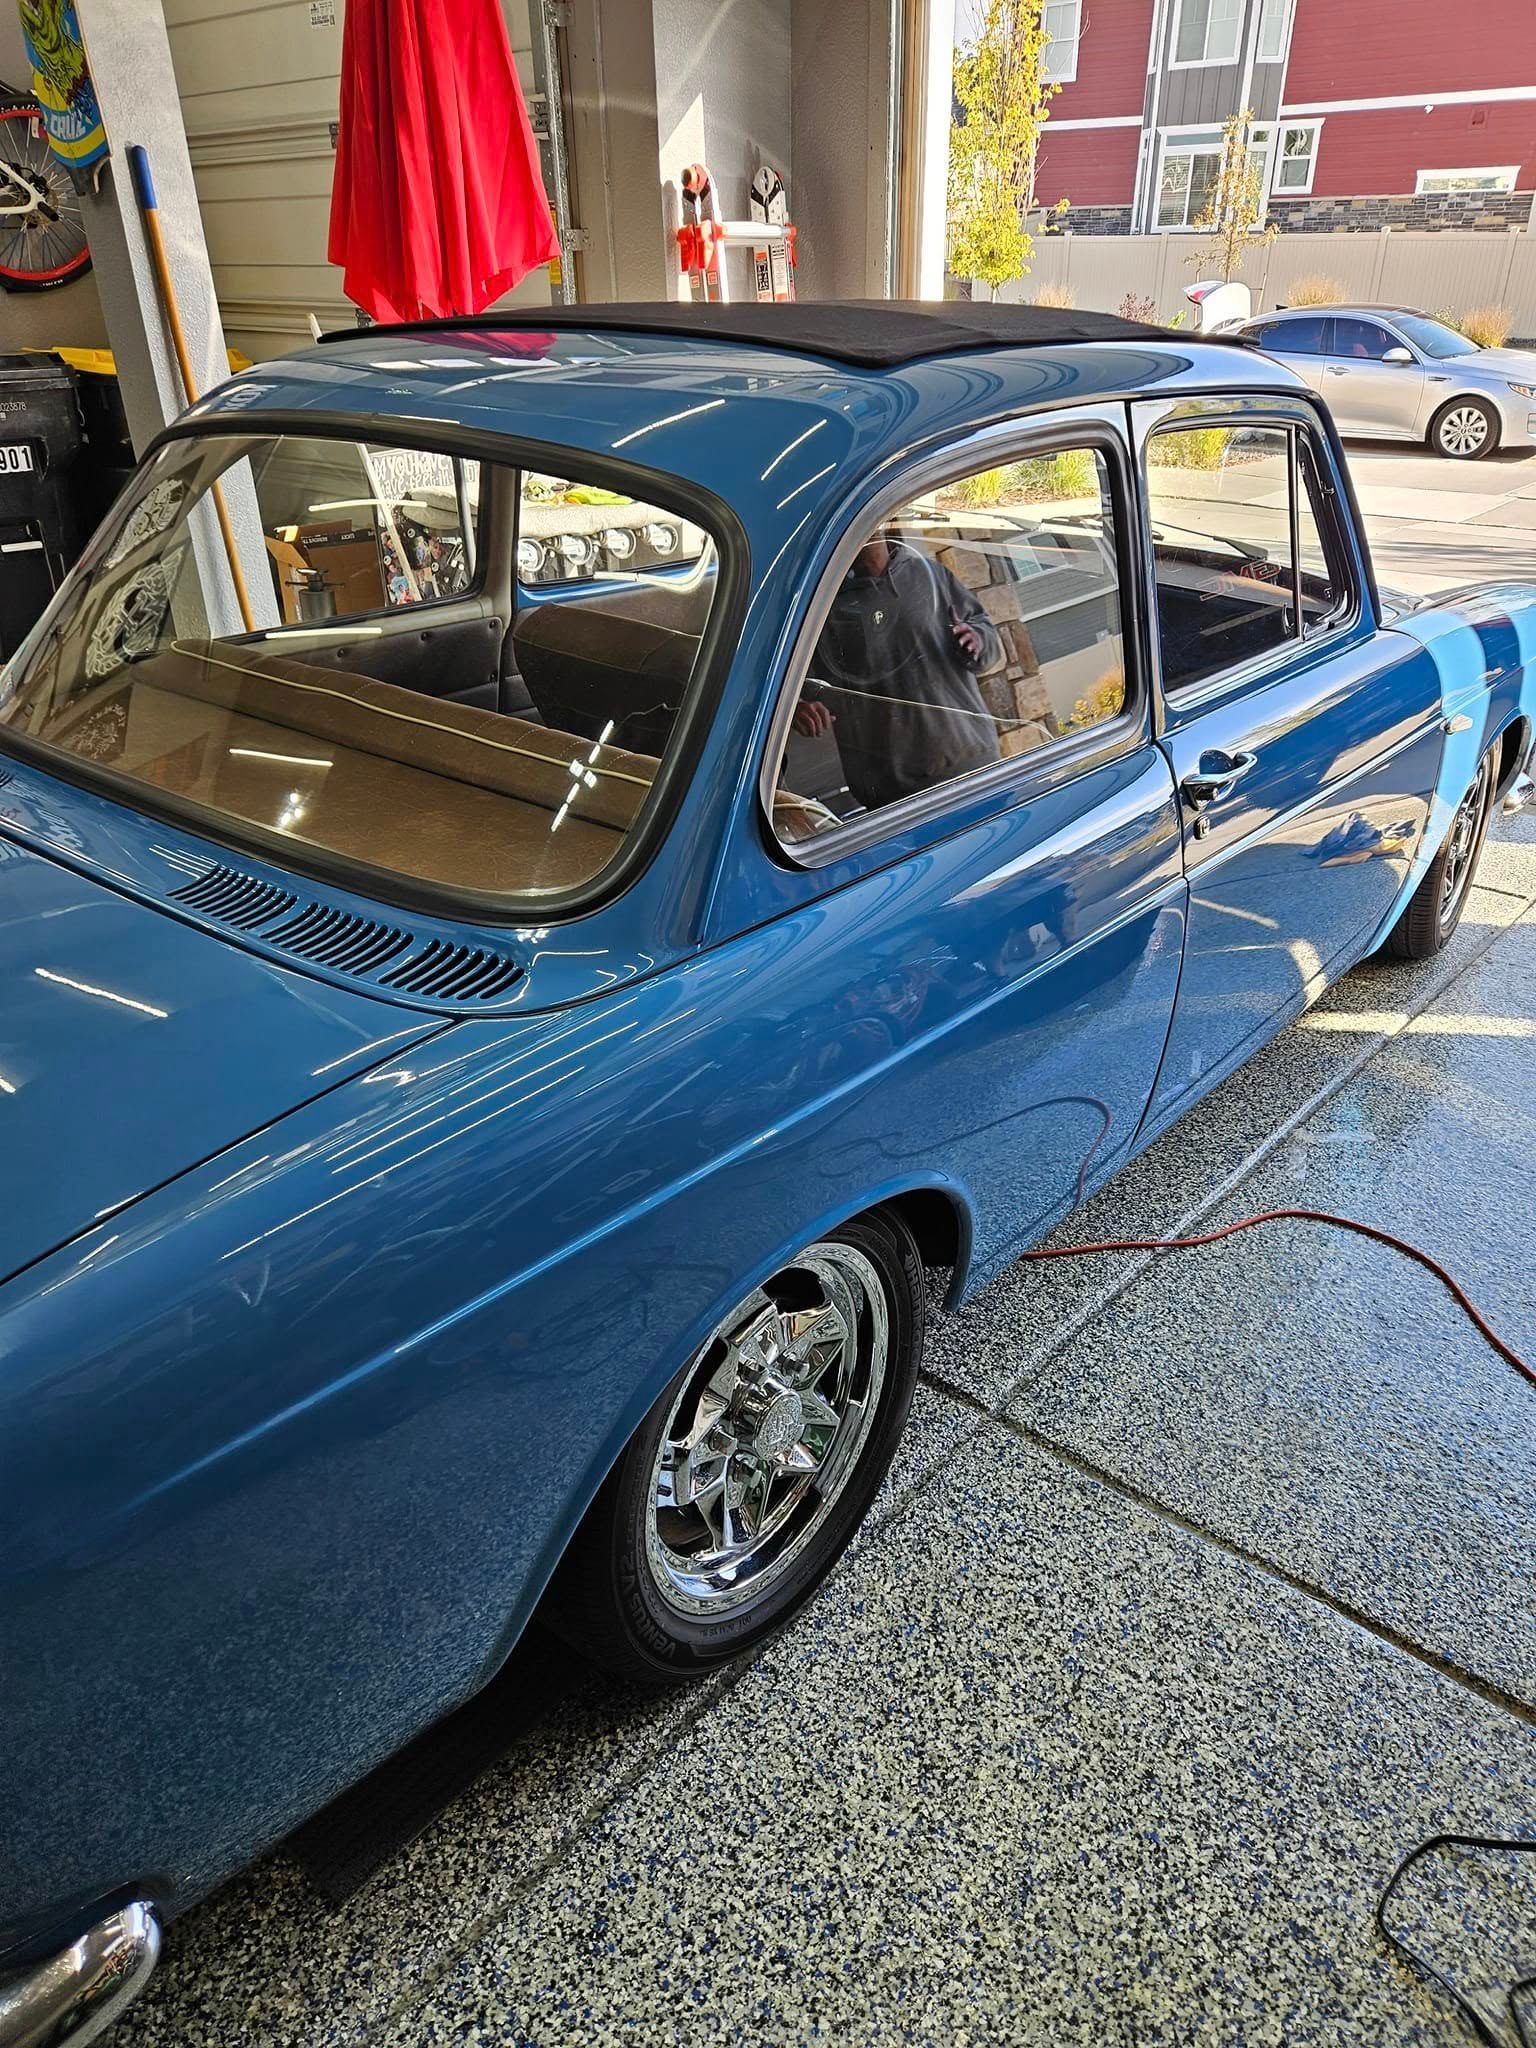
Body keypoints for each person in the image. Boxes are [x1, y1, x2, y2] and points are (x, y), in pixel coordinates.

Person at [793, 529, 1005, 812]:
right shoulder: (824, 608)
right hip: (893, 799)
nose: (865, 537)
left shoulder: (930, 576)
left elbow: (988, 642)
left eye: (872, 527)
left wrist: (977, 639)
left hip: (972, 767)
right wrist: (800, 708)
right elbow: (797, 683)